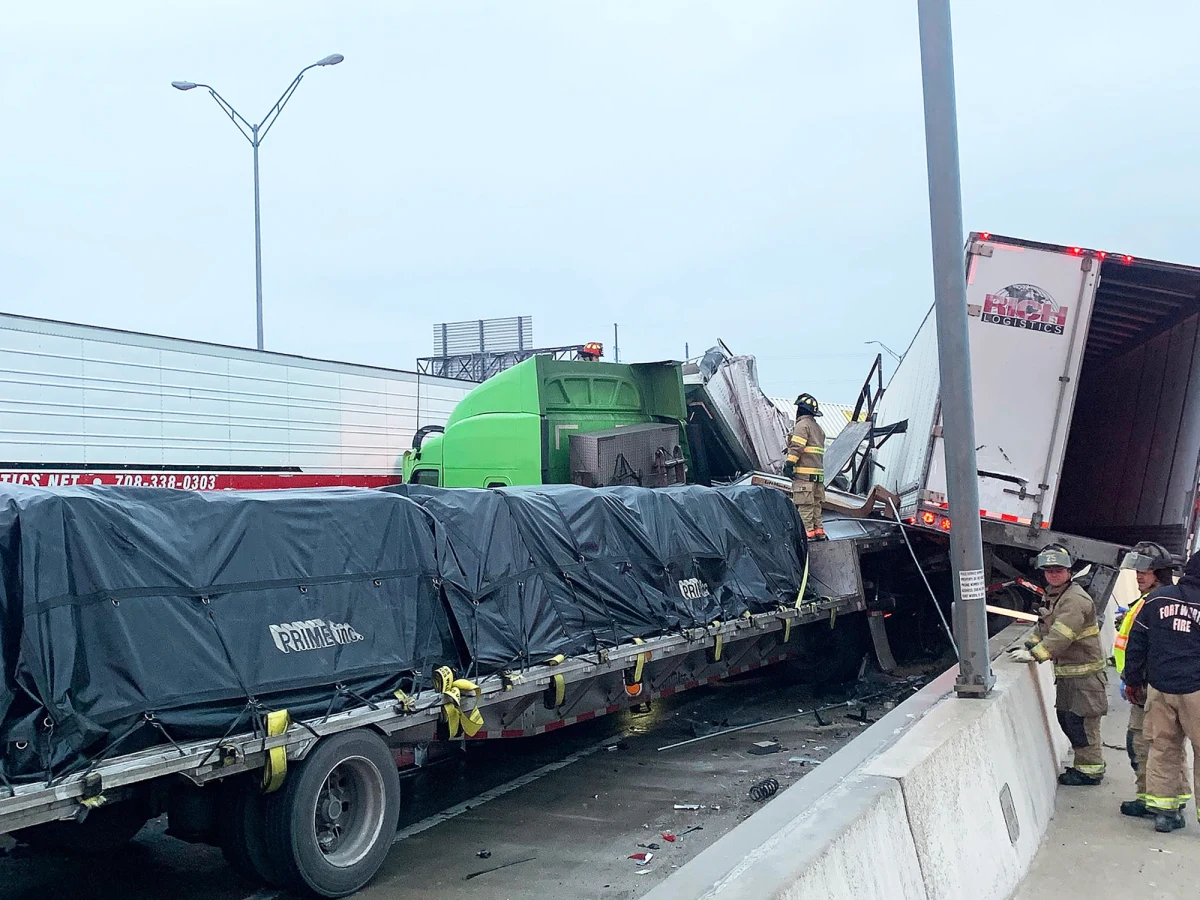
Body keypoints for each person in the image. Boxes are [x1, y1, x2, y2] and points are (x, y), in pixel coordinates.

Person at [1008, 544, 1107, 785]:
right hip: (1070, 676)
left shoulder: (1075, 600)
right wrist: (1029, 645)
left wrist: (1035, 655)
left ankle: (1090, 772)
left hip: (1085, 678)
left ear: (1069, 571)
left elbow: (1061, 636)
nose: (1053, 574)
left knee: (1082, 725)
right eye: (1049, 570)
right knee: (1069, 720)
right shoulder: (1055, 594)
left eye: (1058, 570)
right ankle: (1084, 767)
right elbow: (1044, 627)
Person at [1123, 551, 1200, 834]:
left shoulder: (1157, 599)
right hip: (1196, 690)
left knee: (1162, 748)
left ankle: (1165, 814)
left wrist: (1133, 681)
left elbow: (1136, 643)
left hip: (1159, 688)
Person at [1112, 542, 1189, 819]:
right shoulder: (1153, 601)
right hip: (1149, 683)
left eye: (1145, 571)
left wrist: (1134, 680)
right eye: (1137, 572)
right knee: (1166, 745)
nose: (1139, 576)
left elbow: (1146, 645)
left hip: (1147, 687)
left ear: (1160, 573)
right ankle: (1170, 798)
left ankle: (1152, 799)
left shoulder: (1155, 601)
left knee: (1145, 743)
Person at [783, 393, 825, 540]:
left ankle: (806, 535)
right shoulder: (818, 428)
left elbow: (797, 447)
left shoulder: (802, 426)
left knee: (805, 506)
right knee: (816, 506)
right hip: (817, 476)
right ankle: (818, 532)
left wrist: (789, 464)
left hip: (804, 476)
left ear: (801, 409)